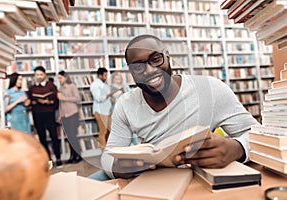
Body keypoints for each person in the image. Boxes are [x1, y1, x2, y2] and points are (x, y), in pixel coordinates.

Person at [100, 34, 260, 179]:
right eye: (138, 67)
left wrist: (238, 149)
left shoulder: (210, 89)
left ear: (168, 57)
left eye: (156, 59)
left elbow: (259, 136)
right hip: (156, 181)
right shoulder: (126, 103)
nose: (149, 70)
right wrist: (117, 167)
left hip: (203, 179)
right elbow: (109, 155)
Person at [26, 66, 62, 167]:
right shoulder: (32, 88)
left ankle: (58, 158)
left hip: (49, 114)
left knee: (54, 136)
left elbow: (56, 101)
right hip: (37, 115)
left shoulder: (51, 86)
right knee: (42, 138)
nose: (39, 76)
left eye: (41, 74)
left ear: (45, 75)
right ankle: (48, 159)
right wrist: (33, 101)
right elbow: (29, 101)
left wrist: (48, 102)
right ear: (34, 75)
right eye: (37, 75)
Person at [57, 70, 82, 163]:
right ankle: (72, 156)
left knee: (73, 136)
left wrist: (64, 98)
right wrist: (60, 116)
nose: (59, 80)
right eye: (58, 78)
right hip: (64, 115)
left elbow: (77, 98)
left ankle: (78, 155)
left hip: (72, 113)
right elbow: (60, 104)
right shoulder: (60, 88)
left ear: (65, 77)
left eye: (60, 77)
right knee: (69, 137)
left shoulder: (72, 86)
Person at [90, 68, 117, 148]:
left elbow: (106, 97)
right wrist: (109, 94)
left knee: (110, 130)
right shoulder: (95, 85)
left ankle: (109, 149)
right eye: (105, 75)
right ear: (100, 75)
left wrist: (111, 98)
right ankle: (104, 152)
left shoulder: (104, 84)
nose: (106, 77)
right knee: (103, 131)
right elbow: (98, 98)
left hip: (107, 111)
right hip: (100, 111)